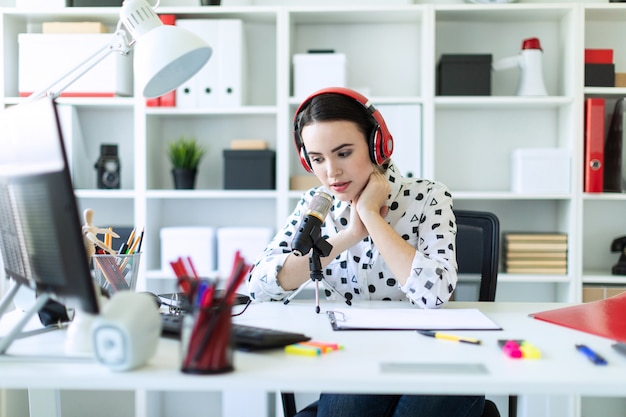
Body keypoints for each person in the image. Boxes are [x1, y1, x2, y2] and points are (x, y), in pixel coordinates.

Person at [247, 87, 485, 417]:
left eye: (343, 153)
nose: (331, 172)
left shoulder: (429, 196)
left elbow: (435, 295)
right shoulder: (316, 205)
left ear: (379, 146)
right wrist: (348, 236)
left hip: (434, 352)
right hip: (355, 354)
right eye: (317, 159)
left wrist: (373, 217)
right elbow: (259, 288)